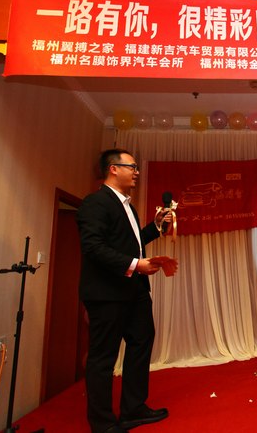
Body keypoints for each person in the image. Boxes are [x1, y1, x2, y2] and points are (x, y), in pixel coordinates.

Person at [77, 148, 173, 433]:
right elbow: (93, 247)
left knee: (141, 343)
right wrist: (136, 264)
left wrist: (155, 227)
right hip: (107, 293)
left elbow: (131, 243)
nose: (137, 172)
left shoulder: (128, 206)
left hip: (135, 291)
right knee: (103, 357)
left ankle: (133, 409)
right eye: (132, 167)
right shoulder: (95, 203)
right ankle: (103, 423)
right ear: (113, 169)